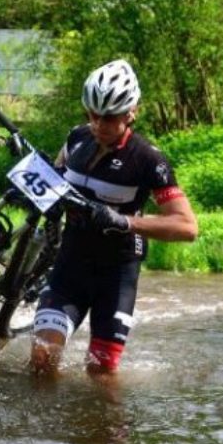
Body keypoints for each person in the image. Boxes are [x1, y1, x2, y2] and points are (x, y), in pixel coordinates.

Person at [30, 60, 198, 377]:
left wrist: (124, 221)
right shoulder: (76, 138)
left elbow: (187, 227)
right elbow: (53, 183)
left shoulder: (149, 159)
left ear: (130, 112)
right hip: (72, 264)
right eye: (91, 114)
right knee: (42, 360)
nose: (98, 124)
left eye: (108, 117)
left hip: (116, 272)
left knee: (101, 374)